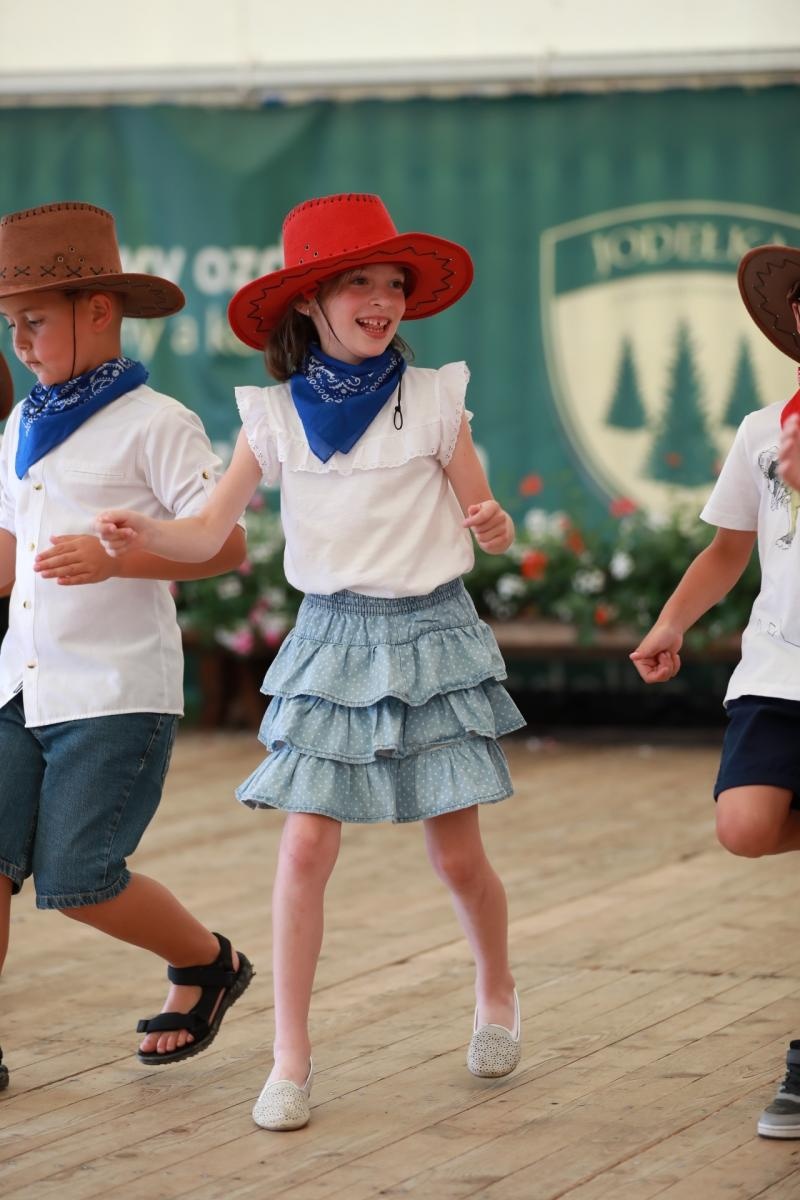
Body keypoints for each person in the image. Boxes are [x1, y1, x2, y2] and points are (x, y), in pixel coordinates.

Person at [97, 191, 526, 1131]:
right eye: (357, 283)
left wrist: (489, 521)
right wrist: (147, 533)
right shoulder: (275, 418)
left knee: (457, 857)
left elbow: (482, 512)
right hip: (330, 639)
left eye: (391, 283)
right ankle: (290, 1058)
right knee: (304, 846)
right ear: (306, 302)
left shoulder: (436, 401)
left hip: (432, 633)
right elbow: (209, 526)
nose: (382, 300)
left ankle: (496, 990)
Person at [0, 202, 255, 1092]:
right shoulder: (17, 425)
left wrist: (116, 559)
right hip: (17, 687)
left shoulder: (160, 422)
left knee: (78, 879)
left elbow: (225, 546)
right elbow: (8, 560)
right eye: (12, 326)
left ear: (100, 310)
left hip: (115, 693)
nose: (22, 343)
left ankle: (208, 963)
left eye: (34, 321)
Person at [630, 243, 800, 1140]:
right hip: (775, 673)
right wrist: (672, 622)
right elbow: (730, 547)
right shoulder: (761, 429)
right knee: (744, 826)